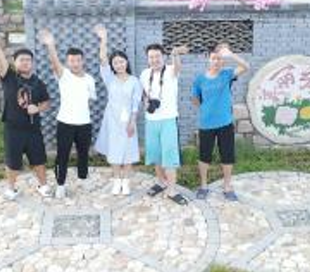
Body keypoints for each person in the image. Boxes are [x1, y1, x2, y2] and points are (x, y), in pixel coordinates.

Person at [0, 33, 52, 201]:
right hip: (13, 129)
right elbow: (1, 60)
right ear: (15, 62)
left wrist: (37, 108)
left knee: (38, 159)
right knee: (13, 161)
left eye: (28, 60)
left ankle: (43, 185)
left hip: (33, 129)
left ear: (32, 63)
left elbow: (47, 103)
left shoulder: (38, 83)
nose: (25, 62)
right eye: (22, 60)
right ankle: (11, 188)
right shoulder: (9, 77)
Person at [39, 28, 97, 199]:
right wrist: (51, 45)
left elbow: (89, 100)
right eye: (71, 60)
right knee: (62, 155)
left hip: (84, 124)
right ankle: (61, 184)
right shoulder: (63, 75)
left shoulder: (90, 79)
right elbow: (55, 62)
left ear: (83, 61)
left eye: (78, 60)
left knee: (83, 154)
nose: (75, 63)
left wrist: (81, 113)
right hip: (65, 123)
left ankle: (83, 178)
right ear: (68, 62)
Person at [192, 43, 250, 201]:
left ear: (222, 61)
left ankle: (227, 185)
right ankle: (203, 185)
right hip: (206, 124)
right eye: (213, 58)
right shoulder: (200, 79)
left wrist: (231, 55)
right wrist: (204, 107)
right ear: (208, 59)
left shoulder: (227, 74)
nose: (216, 61)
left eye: (219, 58)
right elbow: (195, 99)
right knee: (204, 156)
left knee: (227, 155)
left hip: (225, 123)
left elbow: (246, 66)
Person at [93, 24, 142, 196]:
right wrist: (104, 39)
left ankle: (126, 181)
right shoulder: (110, 78)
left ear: (126, 62)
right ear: (112, 66)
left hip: (128, 119)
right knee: (114, 150)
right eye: (115, 62)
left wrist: (132, 122)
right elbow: (102, 59)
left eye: (121, 61)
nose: (119, 64)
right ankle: (117, 180)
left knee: (128, 149)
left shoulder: (134, 81)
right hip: (112, 119)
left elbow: (136, 103)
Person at [140, 43, 190, 206]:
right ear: (147, 59)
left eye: (157, 56)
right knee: (156, 154)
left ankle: (172, 190)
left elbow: (178, 67)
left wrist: (175, 54)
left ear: (163, 57)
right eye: (151, 57)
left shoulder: (170, 70)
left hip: (168, 119)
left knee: (169, 155)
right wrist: (146, 103)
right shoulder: (144, 74)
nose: (154, 60)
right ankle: (161, 182)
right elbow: (144, 95)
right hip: (151, 120)